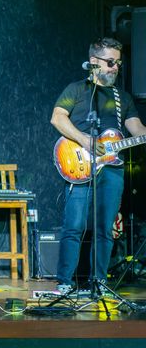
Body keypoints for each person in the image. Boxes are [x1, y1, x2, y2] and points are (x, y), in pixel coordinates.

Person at [51, 37, 146, 293]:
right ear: (94, 62)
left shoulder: (122, 98)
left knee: (105, 228)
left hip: (112, 168)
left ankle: (99, 282)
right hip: (80, 164)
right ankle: (64, 283)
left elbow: (136, 129)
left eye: (118, 63)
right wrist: (85, 140)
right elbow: (57, 118)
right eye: (110, 62)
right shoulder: (76, 90)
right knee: (74, 226)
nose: (116, 67)